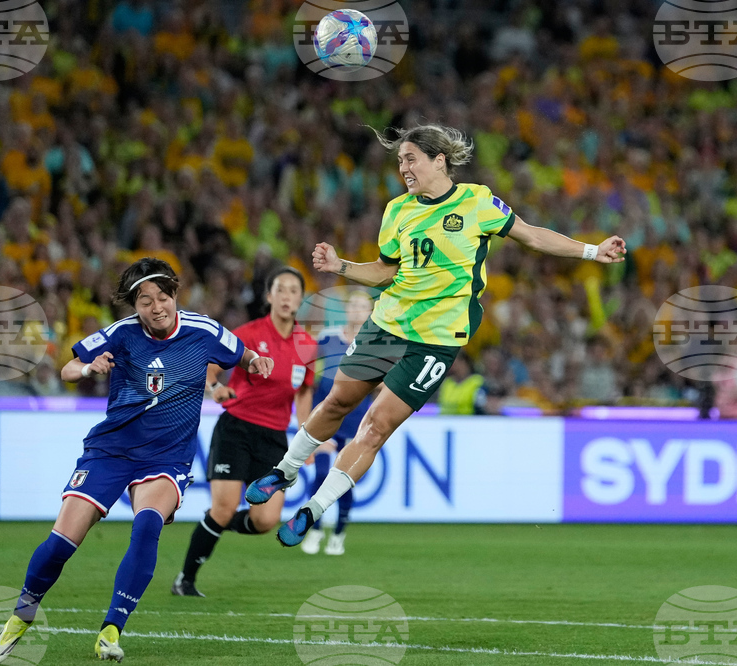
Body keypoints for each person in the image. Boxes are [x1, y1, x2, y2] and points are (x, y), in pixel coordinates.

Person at [244, 124, 626, 546]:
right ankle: (286, 469)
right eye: (400, 161)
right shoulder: (398, 211)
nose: (404, 168)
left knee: (374, 427)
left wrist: (593, 250)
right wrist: (342, 267)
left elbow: (533, 236)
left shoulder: (478, 202)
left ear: (439, 160)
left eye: (411, 159)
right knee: (338, 401)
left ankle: (314, 509)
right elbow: (386, 271)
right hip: (388, 324)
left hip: (437, 341)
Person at [0, 258, 272, 663]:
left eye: (162, 297)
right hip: (112, 449)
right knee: (62, 541)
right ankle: (22, 614)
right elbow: (69, 368)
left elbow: (242, 355)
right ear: (134, 306)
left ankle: (111, 629)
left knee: (147, 527)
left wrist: (256, 362)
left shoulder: (204, 330)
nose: (156, 307)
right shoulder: (122, 334)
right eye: (144, 301)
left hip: (166, 455)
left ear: (175, 294)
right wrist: (90, 366)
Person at [171, 266, 316, 596]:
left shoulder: (307, 345)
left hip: (274, 437)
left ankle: (215, 526)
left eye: (293, 290)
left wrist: (307, 439)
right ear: (268, 296)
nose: (286, 296)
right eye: (280, 289)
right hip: (236, 428)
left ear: (300, 299)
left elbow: (304, 392)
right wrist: (215, 387)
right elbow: (210, 366)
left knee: (266, 521)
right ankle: (186, 579)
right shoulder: (249, 334)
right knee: (224, 506)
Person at [301, 289, 375, 556]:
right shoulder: (327, 340)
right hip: (328, 420)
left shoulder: (374, 345)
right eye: (353, 305)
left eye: (362, 306)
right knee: (321, 475)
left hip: (356, 424)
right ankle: (316, 528)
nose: (357, 310)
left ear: (370, 313)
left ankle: (339, 533)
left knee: (343, 480)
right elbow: (311, 380)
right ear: (346, 309)